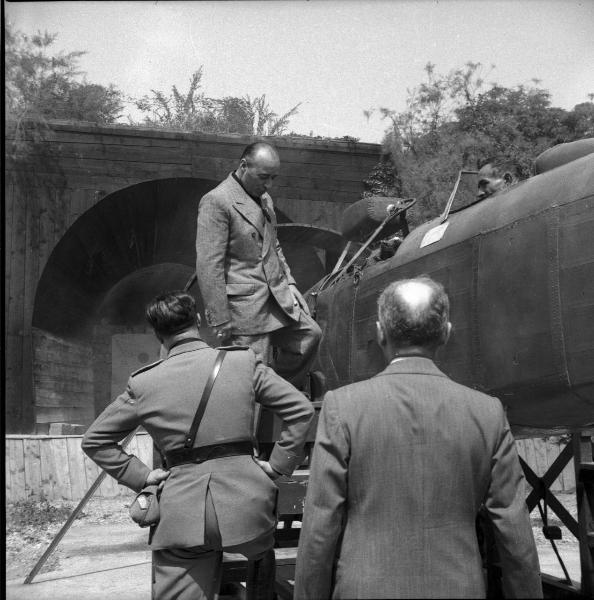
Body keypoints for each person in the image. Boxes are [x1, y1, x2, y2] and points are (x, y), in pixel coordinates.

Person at [294, 276, 542, 599]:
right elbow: (516, 539)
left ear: (381, 333)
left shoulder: (342, 408)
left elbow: (318, 533)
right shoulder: (488, 414)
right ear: (446, 334)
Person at [82, 291, 314, 600]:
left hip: (182, 518)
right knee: (260, 551)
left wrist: (142, 476)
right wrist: (277, 464)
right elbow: (301, 409)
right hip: (249, 512)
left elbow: (94, 440)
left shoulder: (143, 383)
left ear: (157, 335)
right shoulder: (242, 362)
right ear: (199, 321)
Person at [195, 141, 321, 390]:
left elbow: (274, 247)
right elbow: (209, 265)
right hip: (245, 309)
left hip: (277, 300)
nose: (269, 185)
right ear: (244, 166)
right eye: (264, 177)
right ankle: (260, 415)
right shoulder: (217, 201)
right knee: (251, 378)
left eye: (274, 178)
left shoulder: (264, 200)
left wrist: (291, 283)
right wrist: (219, 319)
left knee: (309, 336)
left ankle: (279, 394)